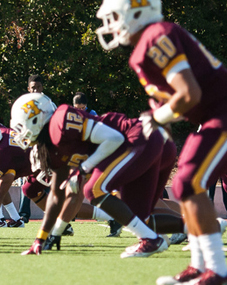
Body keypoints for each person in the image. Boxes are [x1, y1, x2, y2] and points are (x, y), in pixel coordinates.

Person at [96, 0, 227, 285]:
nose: (112, 25)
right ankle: (198, 267)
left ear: (135, 12)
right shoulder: (145, 47)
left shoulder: (156, 36)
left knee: (190, 182)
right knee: (186, 184)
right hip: (215, 115)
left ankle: (218, 272)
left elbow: (188, 94)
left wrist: (156, 118)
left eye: (115, 16)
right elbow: (171, 104)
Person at [11, 95, 185, 258]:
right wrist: (42, 238)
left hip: (139, 138)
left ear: (37, 118)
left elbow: (114, 138)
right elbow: (58, 196)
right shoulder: (52, 149)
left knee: (94, 189)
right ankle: (198, 227)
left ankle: (151, 240)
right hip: (146, 145)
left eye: (21, 126)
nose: (20, 133)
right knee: (138, 218)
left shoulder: (61, 121)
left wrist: (83, 168)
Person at [18, 74, 45, 222]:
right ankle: (23, 214)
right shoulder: (22, 104)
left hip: (44, 147)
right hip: (28, 147)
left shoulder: (48, 104)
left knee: (48, 179)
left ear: (42, 88)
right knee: (25, 179)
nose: (35, 90)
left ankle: (53, 212)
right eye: (33, 87)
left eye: (38, 87)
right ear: (28, 88)